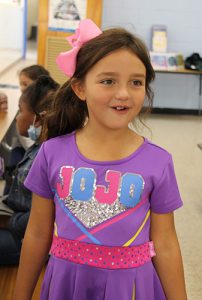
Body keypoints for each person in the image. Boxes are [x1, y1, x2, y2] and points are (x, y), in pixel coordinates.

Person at [13, 19, 187, 300]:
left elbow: (165, 243)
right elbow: (37, 232)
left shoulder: (159, 162)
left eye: (136, 82)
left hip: (130, 289)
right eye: (108, 81)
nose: (123, 93)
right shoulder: (51, 153)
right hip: (66, 286)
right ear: (80, 88)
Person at [0, 75, 59, 265]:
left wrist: (8, 222)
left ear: (37, 118)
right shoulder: (40, 146)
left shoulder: (48, 157)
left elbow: (46, 217)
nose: (17, 117)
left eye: (20, 110)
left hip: (28, 240)